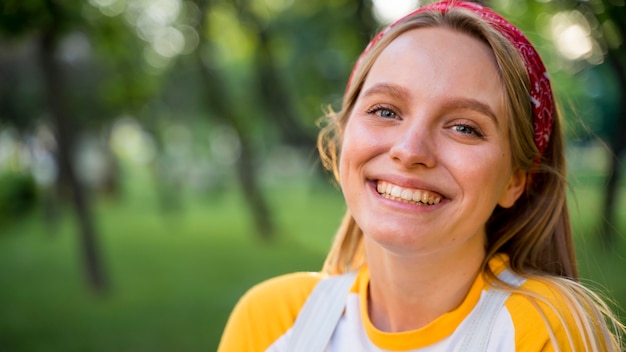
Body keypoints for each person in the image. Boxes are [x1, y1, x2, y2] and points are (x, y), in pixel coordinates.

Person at [218, 1, 625, 351]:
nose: (411, 151)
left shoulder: (545, 330)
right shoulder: (271, 322)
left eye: (464, 127)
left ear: (515, 179)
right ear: (344, 135)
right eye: (386, 111)